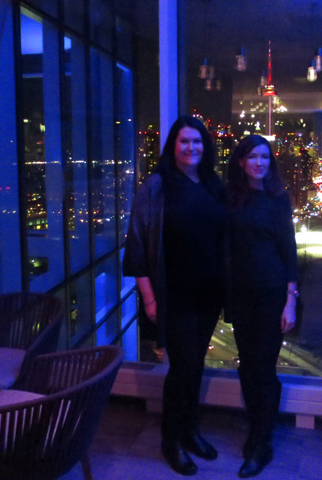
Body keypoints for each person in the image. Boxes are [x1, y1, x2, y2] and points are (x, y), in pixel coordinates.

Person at [123, 116, 226, 476]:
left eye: (197, 141)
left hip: (209, 292)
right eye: (184, 141)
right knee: (183, 367)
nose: (191, 147)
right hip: (174, 292)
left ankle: (190, 431)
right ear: (173, 146)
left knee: (196, 365)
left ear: (205, 146)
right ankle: (172, 440)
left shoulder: (214, 184)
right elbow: (137, 243)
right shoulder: (157, 185)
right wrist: (149, 298)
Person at [225, 135, 298, 478]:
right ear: (241, 161)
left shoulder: (278, 199)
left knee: (264, 370)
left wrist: (291, 300)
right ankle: (256, 428)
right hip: (240, 295)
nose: (259, 163)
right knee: (247, 366)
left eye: (265, 157)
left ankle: (262, 443)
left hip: (271, 294)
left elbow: (289, 250)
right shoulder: (231, 198)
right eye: (253, 157)